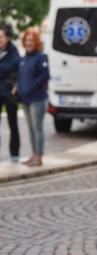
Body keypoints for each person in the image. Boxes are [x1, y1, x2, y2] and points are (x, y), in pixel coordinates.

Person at [17, 28, 50, 167]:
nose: (29, 43)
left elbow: (45, 76)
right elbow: (21, 77)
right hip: (25, 100)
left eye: (31, 40)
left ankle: (39, 156)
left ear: (35, 42)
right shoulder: (24, 59)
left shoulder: (40, 57)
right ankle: (33, 154)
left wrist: (30, 88)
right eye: (27, 40)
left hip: (37, 99)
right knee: (30, 129)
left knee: (37, 128)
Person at [0, 25, 21, 162]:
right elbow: (6, 69)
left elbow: (13, 67)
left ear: (8, 38)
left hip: (10, 94)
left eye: (1, 37)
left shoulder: (14, 52)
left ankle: (14, 154)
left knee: (13, 124)